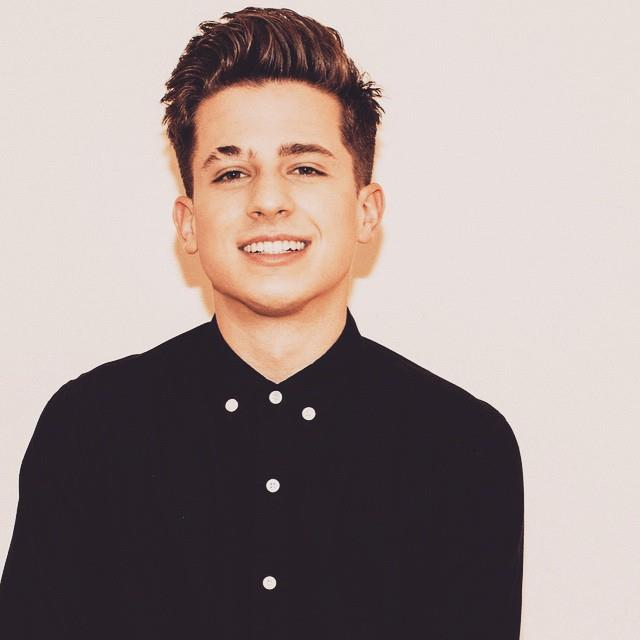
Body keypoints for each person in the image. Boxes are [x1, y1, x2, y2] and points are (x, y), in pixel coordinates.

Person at [0, 7, 524, 639]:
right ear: (188, 222)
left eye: (305, 168)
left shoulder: (463, 446)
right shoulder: (89, 431)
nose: (268, 200)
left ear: (366, 210)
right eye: (231, 173)